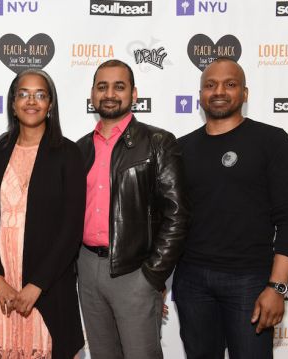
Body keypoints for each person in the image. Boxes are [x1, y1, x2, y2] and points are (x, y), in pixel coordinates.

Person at [172, 57, 288, 359]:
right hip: (191, 281)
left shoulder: (272, 141)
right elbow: (170, 220)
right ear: (200, 95)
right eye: (210, 85)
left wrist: (277, 287)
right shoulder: (180, 148)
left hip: (251, 282)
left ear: (244, 93)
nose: (219, 91)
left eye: (229, 84)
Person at [0, 69, 86, 358]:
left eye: (40, 94)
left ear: (50, 104)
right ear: (12, 102)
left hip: (48, 287)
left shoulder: (68, 154)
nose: (31, 101)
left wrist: (37, 286)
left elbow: (71, 229)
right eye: (23, 94)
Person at [76, 59, 189, 359]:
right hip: (87, 267)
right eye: (102, 87)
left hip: (133, 270)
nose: (109, 93)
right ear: (92, 95)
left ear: (134, 94)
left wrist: (151, 276)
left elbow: (177, 216)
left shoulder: (158, 142)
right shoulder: (80, 148)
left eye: (119, 86)